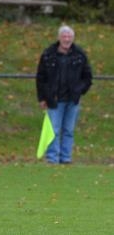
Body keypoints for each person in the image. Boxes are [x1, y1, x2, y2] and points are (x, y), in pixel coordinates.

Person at [36, 25, 92, 164]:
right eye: (64, 36)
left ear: (73, 38)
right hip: (54, 99)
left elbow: (87, 77)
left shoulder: (80, 54)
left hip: (72, 100)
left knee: (68, 130)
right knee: (53, 131)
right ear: (59, 38)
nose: (66, 39)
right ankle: (52, 158)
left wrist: (79, 91)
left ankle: (66, 158)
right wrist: (42, 98)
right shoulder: (48, 54)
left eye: (69, 37)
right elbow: (41, 78)